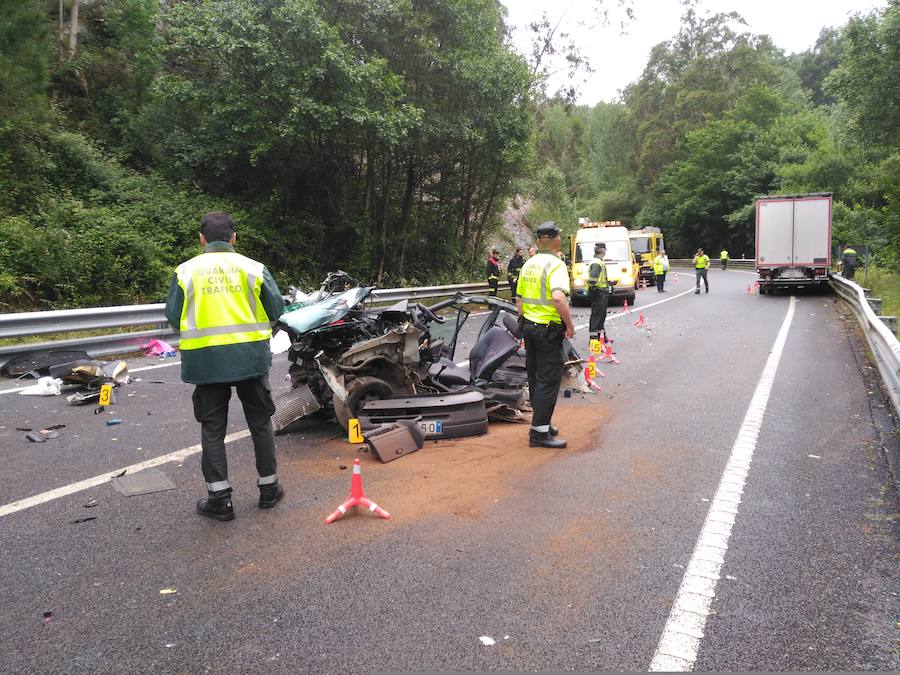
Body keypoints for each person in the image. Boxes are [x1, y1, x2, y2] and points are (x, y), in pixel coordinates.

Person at [165, 211, 286, 521]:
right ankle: (269, 490)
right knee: (260, 423)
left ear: (201, 239)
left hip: (206, 360)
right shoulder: (253, 269)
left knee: (213, 429)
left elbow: (173, 316)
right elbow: (277, 308)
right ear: (234, 237)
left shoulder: (185, 272)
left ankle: (220, 499)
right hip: (250, 358)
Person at [516, 222, 575, 449]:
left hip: (529, 327)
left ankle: (543, 424)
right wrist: (569, 325)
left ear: (539, 242)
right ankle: (539, 434)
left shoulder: (529, 264)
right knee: (548, 380)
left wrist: (525, 322)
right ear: (557, 240)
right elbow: (558, 298)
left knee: (535, 377)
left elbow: (519, 300)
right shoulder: (556, 264)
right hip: (547, 330)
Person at [587, 242, 609, 339]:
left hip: (601, 291)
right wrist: (593, 288)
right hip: (598, 292)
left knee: (601, 315)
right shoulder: (596, 262)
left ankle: (601, 337)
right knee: (597, 315)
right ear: (603, 250)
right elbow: (593, 279)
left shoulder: (599, 261)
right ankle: (593, 339)